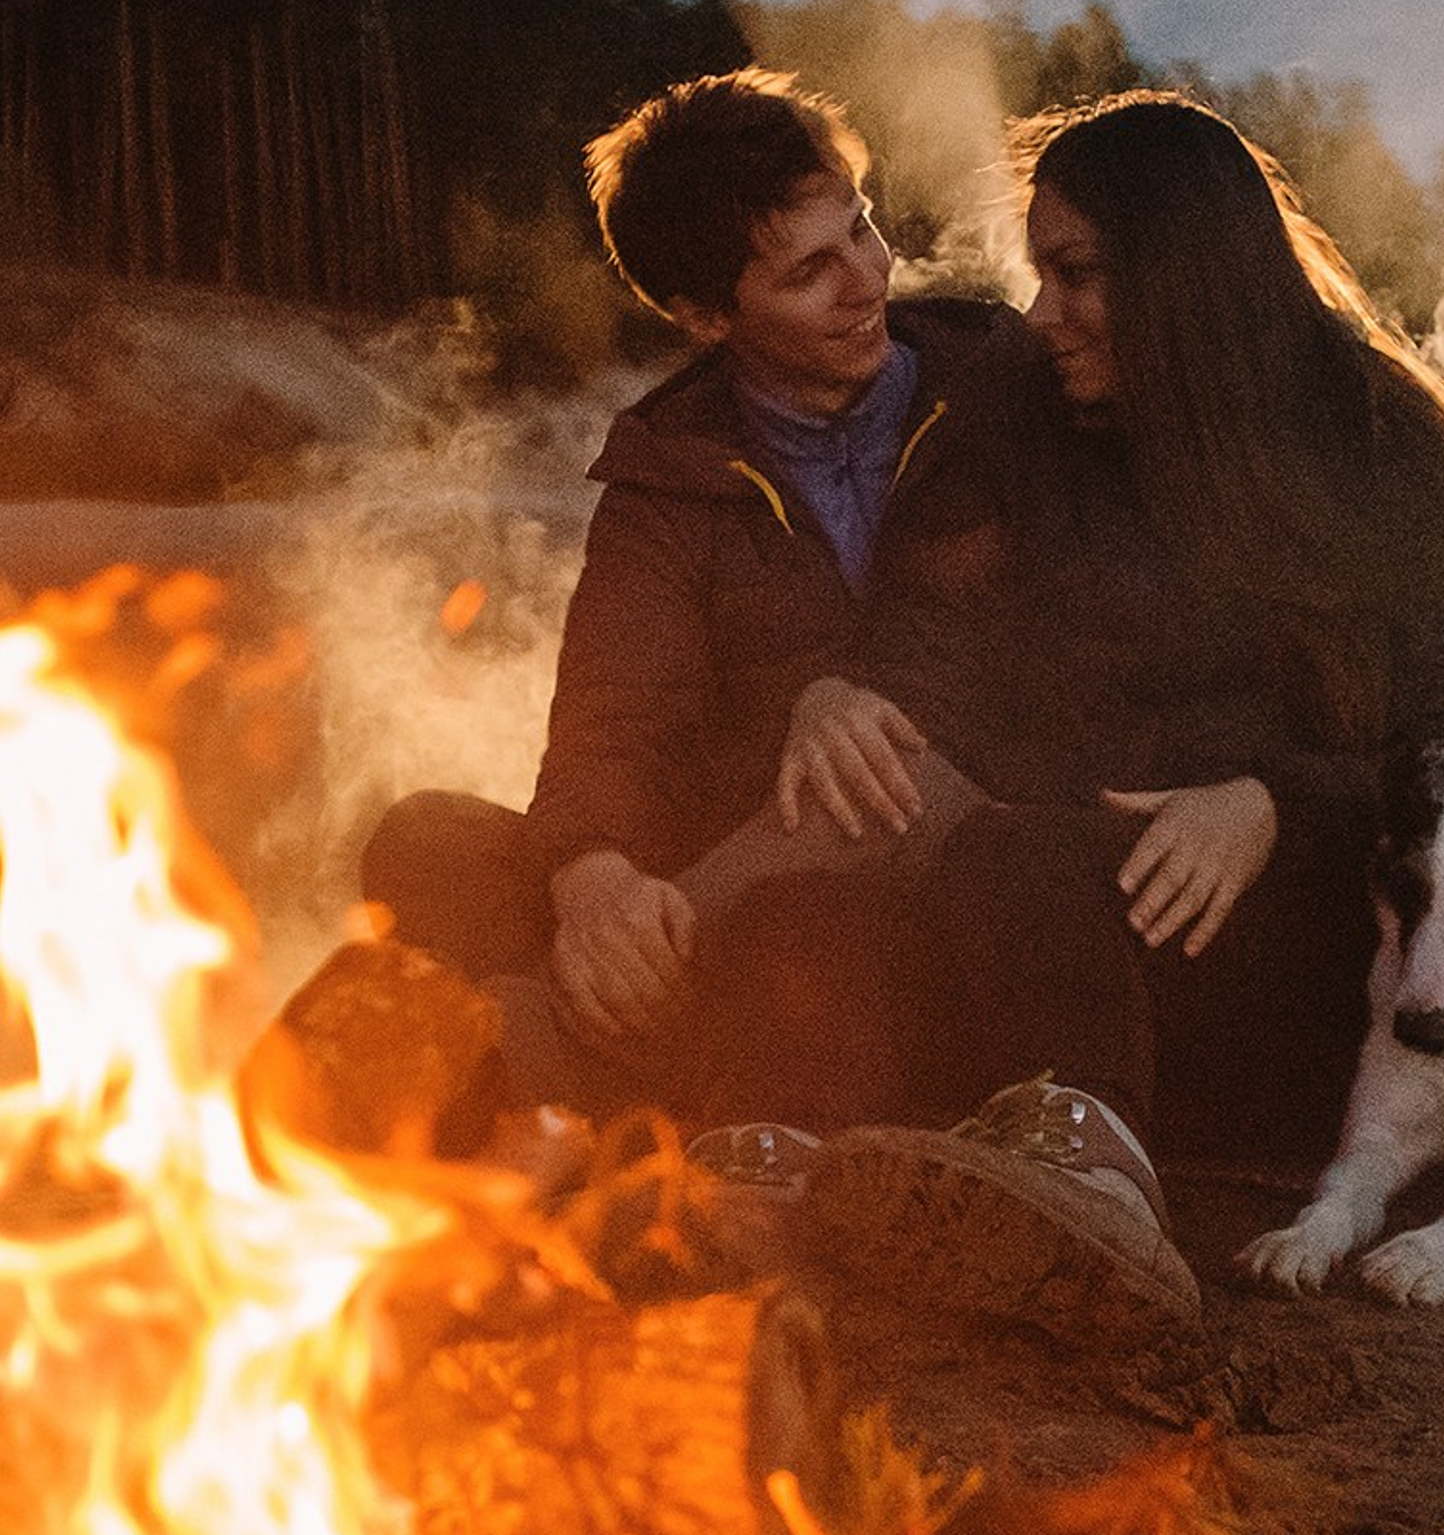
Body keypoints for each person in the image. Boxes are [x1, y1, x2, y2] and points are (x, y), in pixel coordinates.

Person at [793, 89, 1444, 1308]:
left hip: (1300, 962)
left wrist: (1273, 805)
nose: (1043, 314)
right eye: (1039, 274)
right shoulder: (1018, 420)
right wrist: (843, 696)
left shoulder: (1385, 451)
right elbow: (925, 648)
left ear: (1186, 279)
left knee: (1023, 867)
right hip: (1042, 925)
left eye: (1078, 275)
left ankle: (1096, 1198)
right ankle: (810, 1171)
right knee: (874, 896)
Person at [360, 66, 1022, 1134]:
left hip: (963, 853)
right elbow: (612, 717)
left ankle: (536, 1057)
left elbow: (1040, 632)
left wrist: (844, 695)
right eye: (811, 270)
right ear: (707, 315)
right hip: (741, 883)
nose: (865, 281)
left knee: (871, 778)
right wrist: (593, 879)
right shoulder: (672, 469)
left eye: (859, 230)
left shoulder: (991, 385)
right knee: (428, 838)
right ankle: (617, 1041)